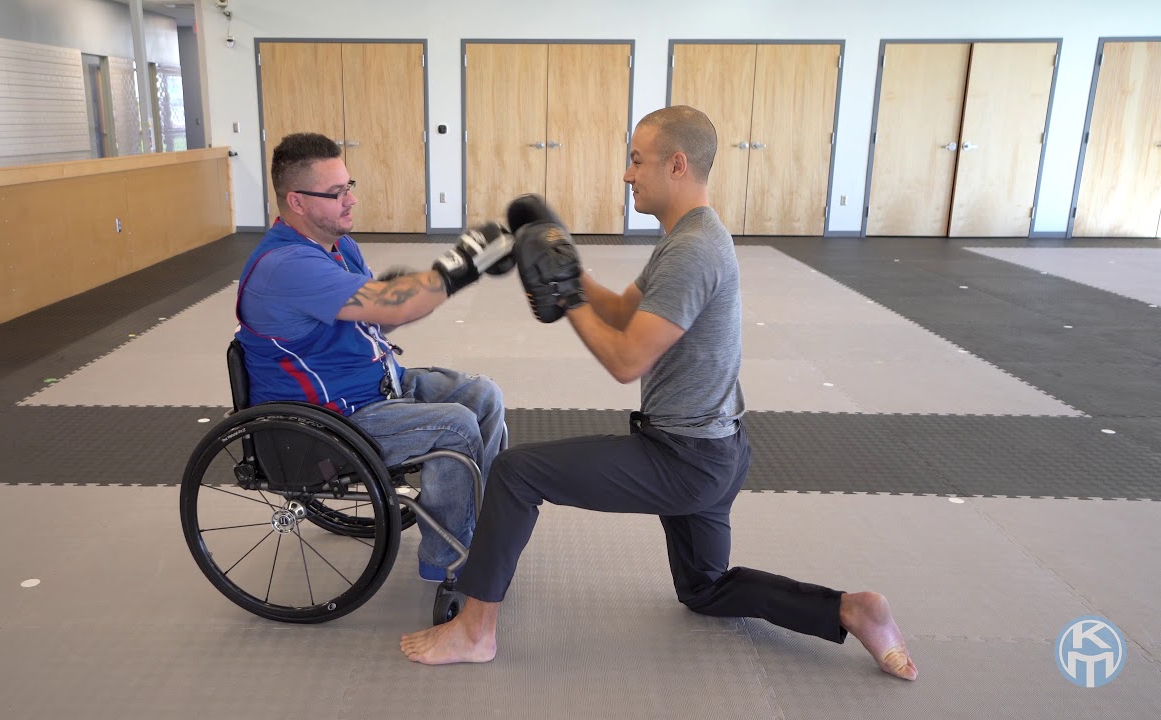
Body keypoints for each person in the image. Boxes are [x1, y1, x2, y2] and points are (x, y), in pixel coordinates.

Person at [398, 107, 918, 681]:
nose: (628, 175)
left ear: (677, 164)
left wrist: (564, 295)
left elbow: (626, 359)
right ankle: (851, 608)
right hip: (719, 449)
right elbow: (624, 311)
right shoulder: (689, 236)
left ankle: (475, 630)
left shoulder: (693, 251)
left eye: (637, 161)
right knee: (704, 588)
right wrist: (567, 265)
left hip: (683, 460)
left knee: (517, 474)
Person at [236, 132, 514, 581]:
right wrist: (466, 262)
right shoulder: (286, 266)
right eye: (336, 193)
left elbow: (378, 322)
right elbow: (398, 306)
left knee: (482, 395)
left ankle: (477, 525)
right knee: (454, 426)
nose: (352, 200)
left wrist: (389, 300)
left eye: (349, 186)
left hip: (376, 386)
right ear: (298, 202)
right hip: (328, 420)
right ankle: (449, 562)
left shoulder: (339, 247)